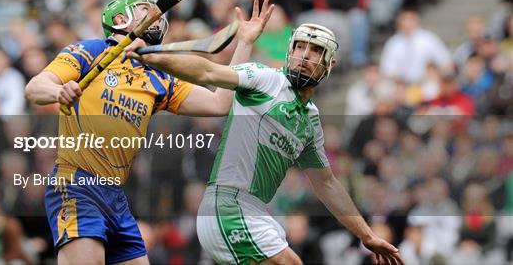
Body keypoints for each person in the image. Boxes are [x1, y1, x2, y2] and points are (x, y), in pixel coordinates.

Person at [25, 0, 273, 264]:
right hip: (78, 184)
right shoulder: (90, 51)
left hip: (115, 196)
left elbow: (219, 103)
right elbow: (35, 87)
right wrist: (58, 92)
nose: (157, 15)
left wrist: (244, 44)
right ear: (120, 18)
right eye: (146, 9)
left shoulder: (157, 78)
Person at [124, 23, 404, 265]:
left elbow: (326, 183)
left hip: (257, 212)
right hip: (228, 206)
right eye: (299, 47)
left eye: (316, 51)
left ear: (330, 65)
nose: (304, 56)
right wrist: (153, 57)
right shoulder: (266, 80)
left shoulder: (311, 121)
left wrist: (367, 235)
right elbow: (208, 72)